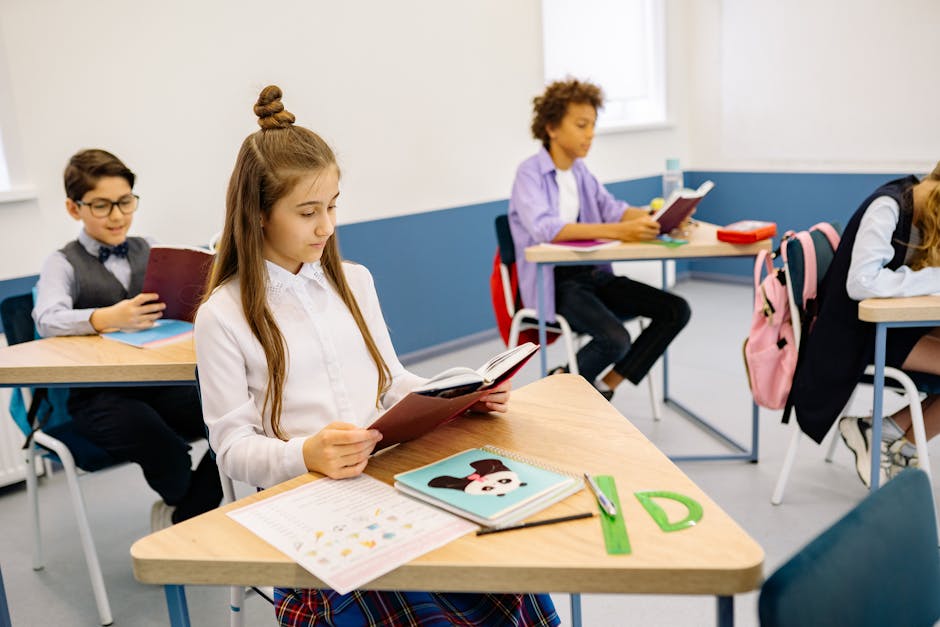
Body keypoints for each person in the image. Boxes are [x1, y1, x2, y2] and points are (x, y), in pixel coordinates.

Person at [194, 85, 559, 627]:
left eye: (333, 206)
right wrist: (306, 454)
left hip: (393, 481)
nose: (327, 227)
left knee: (511, 570)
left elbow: (391, 383)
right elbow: (231, 449)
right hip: (313, 509)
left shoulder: (354, 282)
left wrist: (459, 397)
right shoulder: (222, 315)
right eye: (308, 211)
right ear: (260, 214)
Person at [32, 148, 222, 530]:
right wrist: (106, 317)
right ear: (74, 208)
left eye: (125, 202)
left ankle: (183, 516)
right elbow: (46, 319)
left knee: (229, 422)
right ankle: (187, 515)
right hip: (98, 394)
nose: (117, 215)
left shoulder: (148, 246)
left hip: (158, 380)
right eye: (101, 206)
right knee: (164, 448)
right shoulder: (62, 261)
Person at [508, 78, 691, 400]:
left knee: (676, 310)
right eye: (581, 125)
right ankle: (559, 386)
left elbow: (612, 209)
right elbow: (544, 228)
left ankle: (606, 386)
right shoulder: (529, 174)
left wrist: (659, 215)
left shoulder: (580, 172)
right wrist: (620, 231)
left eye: (592, 125)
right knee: (616, 339)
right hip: (556, 283)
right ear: (551, 127)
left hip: (594, 275)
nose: (590, 133)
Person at [789, 162, 940, 487]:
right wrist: (933, 278)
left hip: (886, 327)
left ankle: (885, 432)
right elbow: (861, 283)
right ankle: (893, 437)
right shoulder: (887, 207)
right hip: (853, 336)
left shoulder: (919, 213)